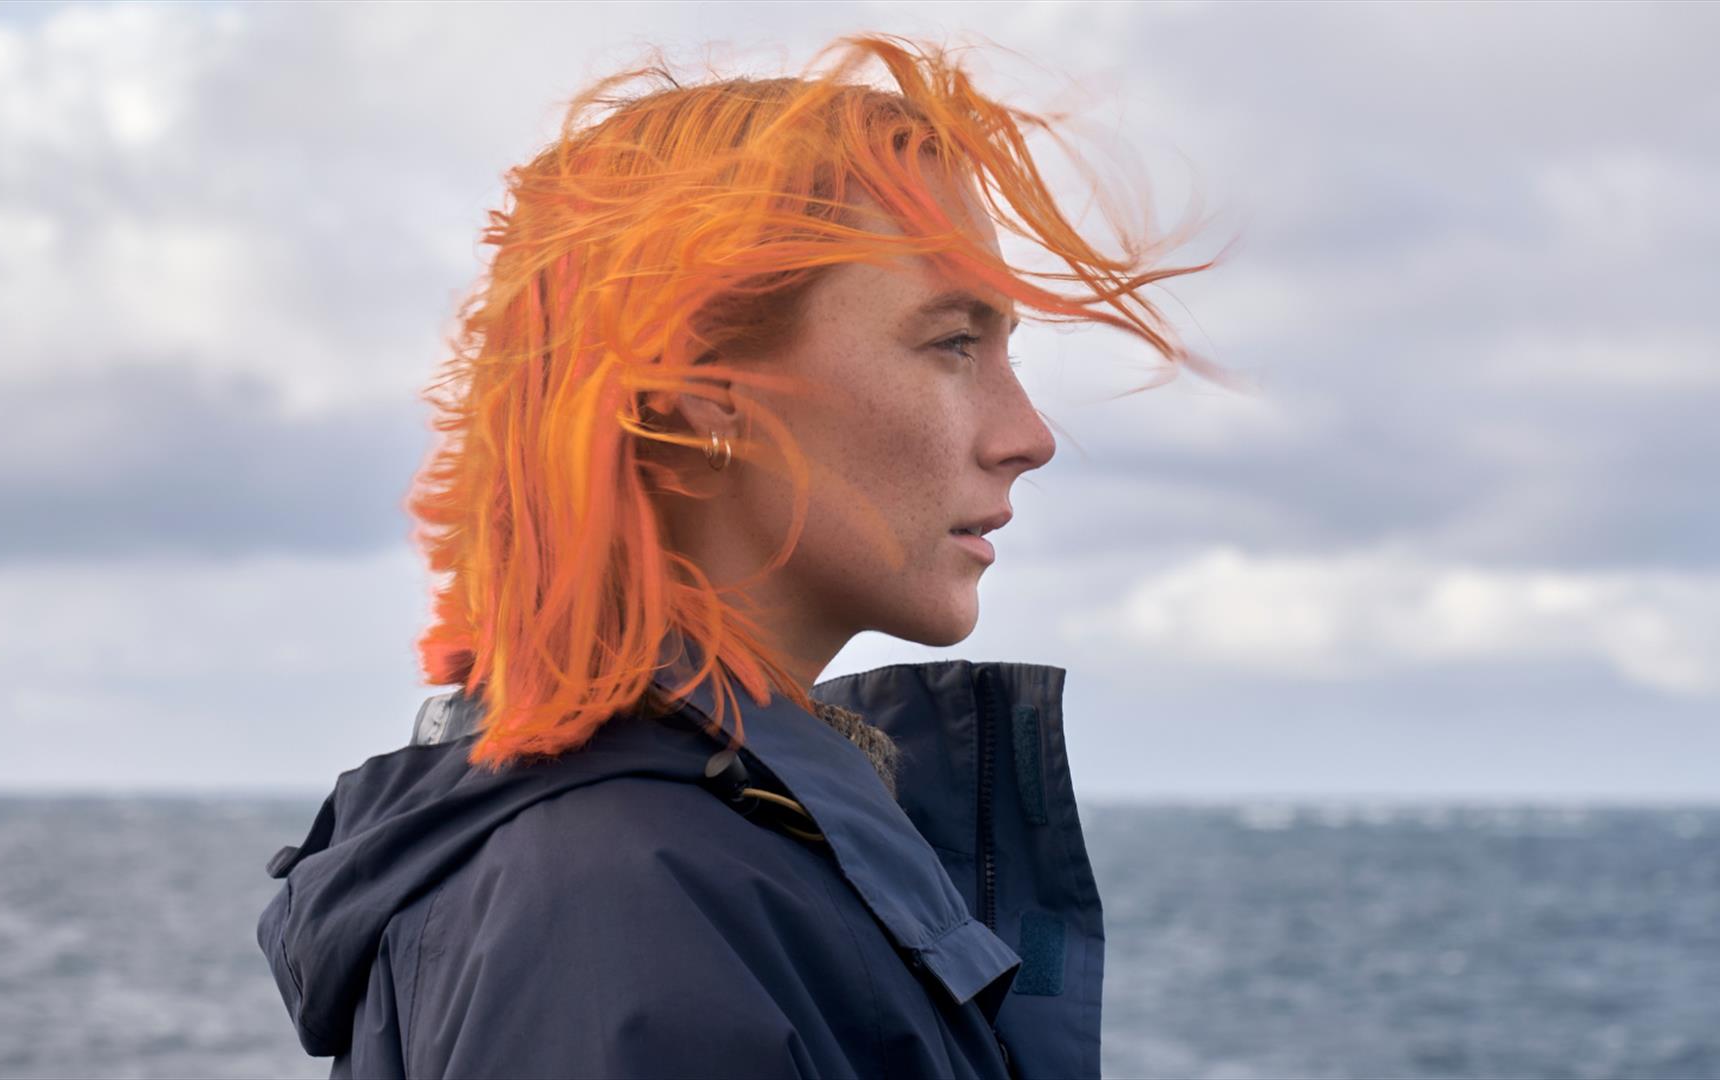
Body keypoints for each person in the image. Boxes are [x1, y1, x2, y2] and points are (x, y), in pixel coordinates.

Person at [258, 32, 1227, 1080]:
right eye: (953, 342)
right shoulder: (622, 909)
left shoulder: (697, 853)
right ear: (701, 390)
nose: (1027, 434)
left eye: (1007, 351)